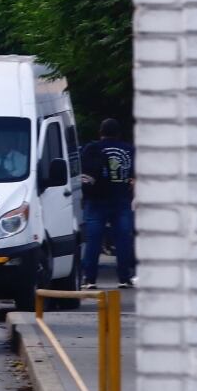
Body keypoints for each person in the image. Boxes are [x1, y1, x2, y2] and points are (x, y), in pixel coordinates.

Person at [80, 118, 136, 289]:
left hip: (96, 200)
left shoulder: (92, 148)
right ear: (118, 133)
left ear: (100, 133)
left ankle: (90, 279)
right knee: (123, 240)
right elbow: (134, 176)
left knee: (93, 241)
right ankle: (124, 278)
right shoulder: (129, 150)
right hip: (121, 200)